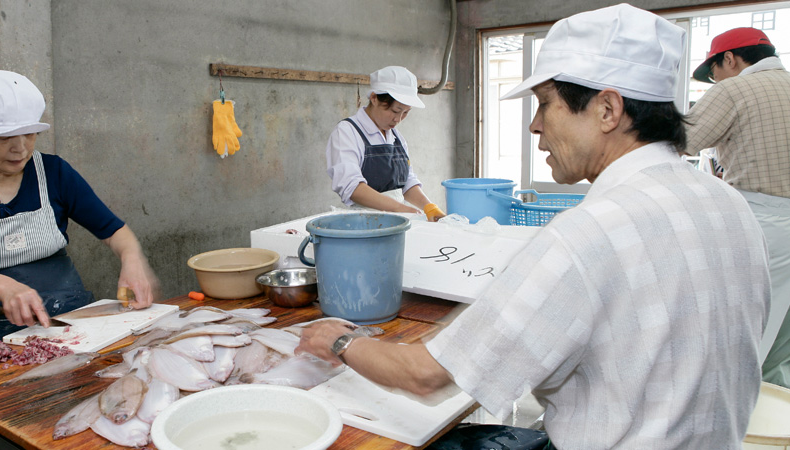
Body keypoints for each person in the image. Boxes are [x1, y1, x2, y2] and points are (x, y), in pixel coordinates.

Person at [297, 4, 769, 449]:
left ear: (608, 109)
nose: (535, 126)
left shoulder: (589, 232)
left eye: (546, 103)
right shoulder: (729, 204)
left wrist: (339, 340)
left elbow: (427, 373)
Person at [0, 70, 160, 355]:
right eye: (5, 138)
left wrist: (132, 259)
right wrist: (5, 287)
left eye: (29, 133)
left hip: (67, 317)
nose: (20, 148)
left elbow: (113, 230)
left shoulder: (54, 172)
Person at [686, 27, 790, 388]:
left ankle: (729, 426)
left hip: (765, 222)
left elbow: (681, 141)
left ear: (729, 59)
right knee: (783, 342)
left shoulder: (735, 89)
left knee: (741, 332)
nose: (715, 82)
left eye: (713, 74)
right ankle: (773, 431)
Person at [325, 66, 446, 222]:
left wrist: (429, 207)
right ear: (374, 98)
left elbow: (407, 182)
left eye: (406, 112)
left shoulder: (396, 137)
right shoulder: (347, 132)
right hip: (366, 222)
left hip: (399, 220)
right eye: (395, 111)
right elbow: (352, 188)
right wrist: (401, 209)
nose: (399, 119)